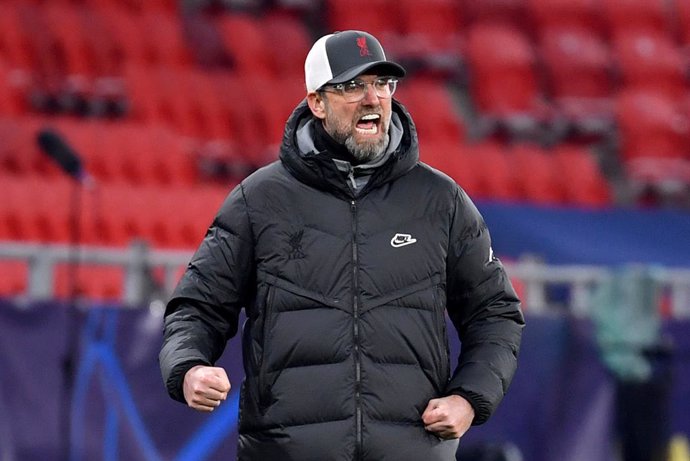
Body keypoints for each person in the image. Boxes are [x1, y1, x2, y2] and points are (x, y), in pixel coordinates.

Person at [159, 30, 524, 460]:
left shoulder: (440, 201)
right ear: (317, 102)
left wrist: (469, 399)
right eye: (353, 86)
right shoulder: (258, 201)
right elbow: (197, 307)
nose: (373, 99)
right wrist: (189, 368)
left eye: (382, 84)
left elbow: (495, 313)